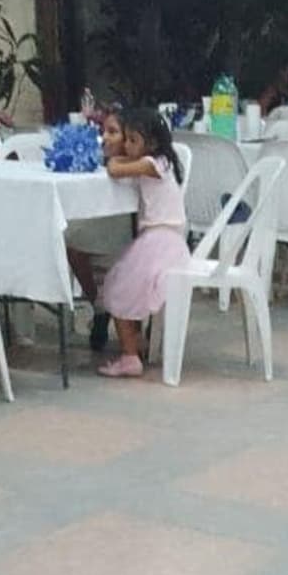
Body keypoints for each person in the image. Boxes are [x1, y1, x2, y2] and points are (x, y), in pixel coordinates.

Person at [97, 108, 190, 377]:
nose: (127, 145)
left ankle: (130, 356)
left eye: (133, 140)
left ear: (152, 143)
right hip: (166, 241)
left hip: (159, 241)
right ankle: (134, 343)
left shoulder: (153, 164)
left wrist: (115, 158)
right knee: (124, 287)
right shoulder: (160, 163)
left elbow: (114, 169)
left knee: (117, 288)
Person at [65, 107, 134, 350]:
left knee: (73, 238)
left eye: (112, 132)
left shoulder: (135, 164)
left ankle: (106, 310)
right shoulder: (96, 161)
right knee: (70, 240)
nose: (104, 137)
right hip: (99, 223)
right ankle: (99, 305)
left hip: (127, 228)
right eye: (103, 131)